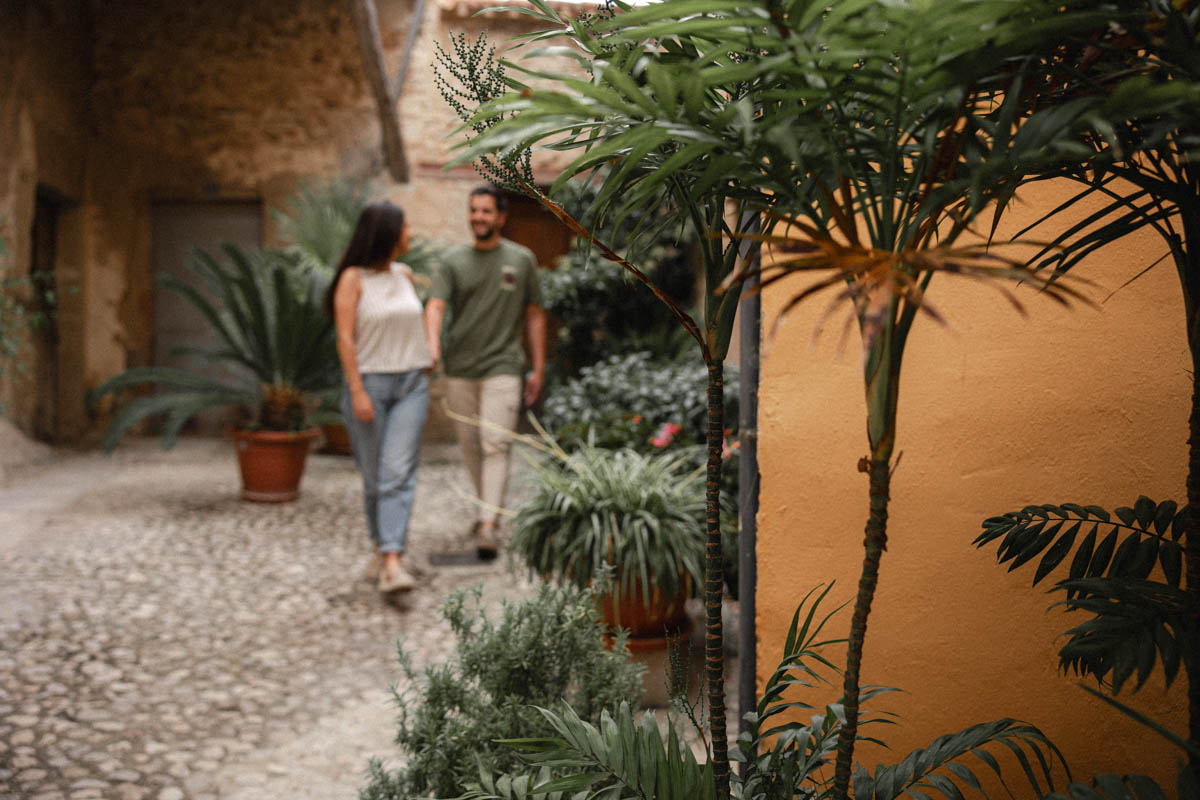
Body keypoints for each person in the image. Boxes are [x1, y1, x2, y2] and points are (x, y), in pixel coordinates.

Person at [424, 185, 546, 559]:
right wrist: (433, 345)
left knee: (496, 444)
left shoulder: (522, 259)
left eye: (486, 211)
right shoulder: (453, 261)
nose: (478, 217)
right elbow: (435, 305)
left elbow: (535, 315)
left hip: (504, 366)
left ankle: (489, 524)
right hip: (460, 368)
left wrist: (537, 367)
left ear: (501, 217)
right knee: (471, 446)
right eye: (474, 211)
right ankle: (486, 512)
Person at [326, 201, 432, 593]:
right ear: (388, 233)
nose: (410, 234)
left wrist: (428, 352)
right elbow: (345, 338)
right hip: (370, 384)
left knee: (398, 472)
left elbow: (420, 319)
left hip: (411, 385)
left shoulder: (405, 274)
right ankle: (381, 549)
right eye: (405, 227)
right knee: (374, 477)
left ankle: (392, 560)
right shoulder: (352, 279)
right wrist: (356, 391)